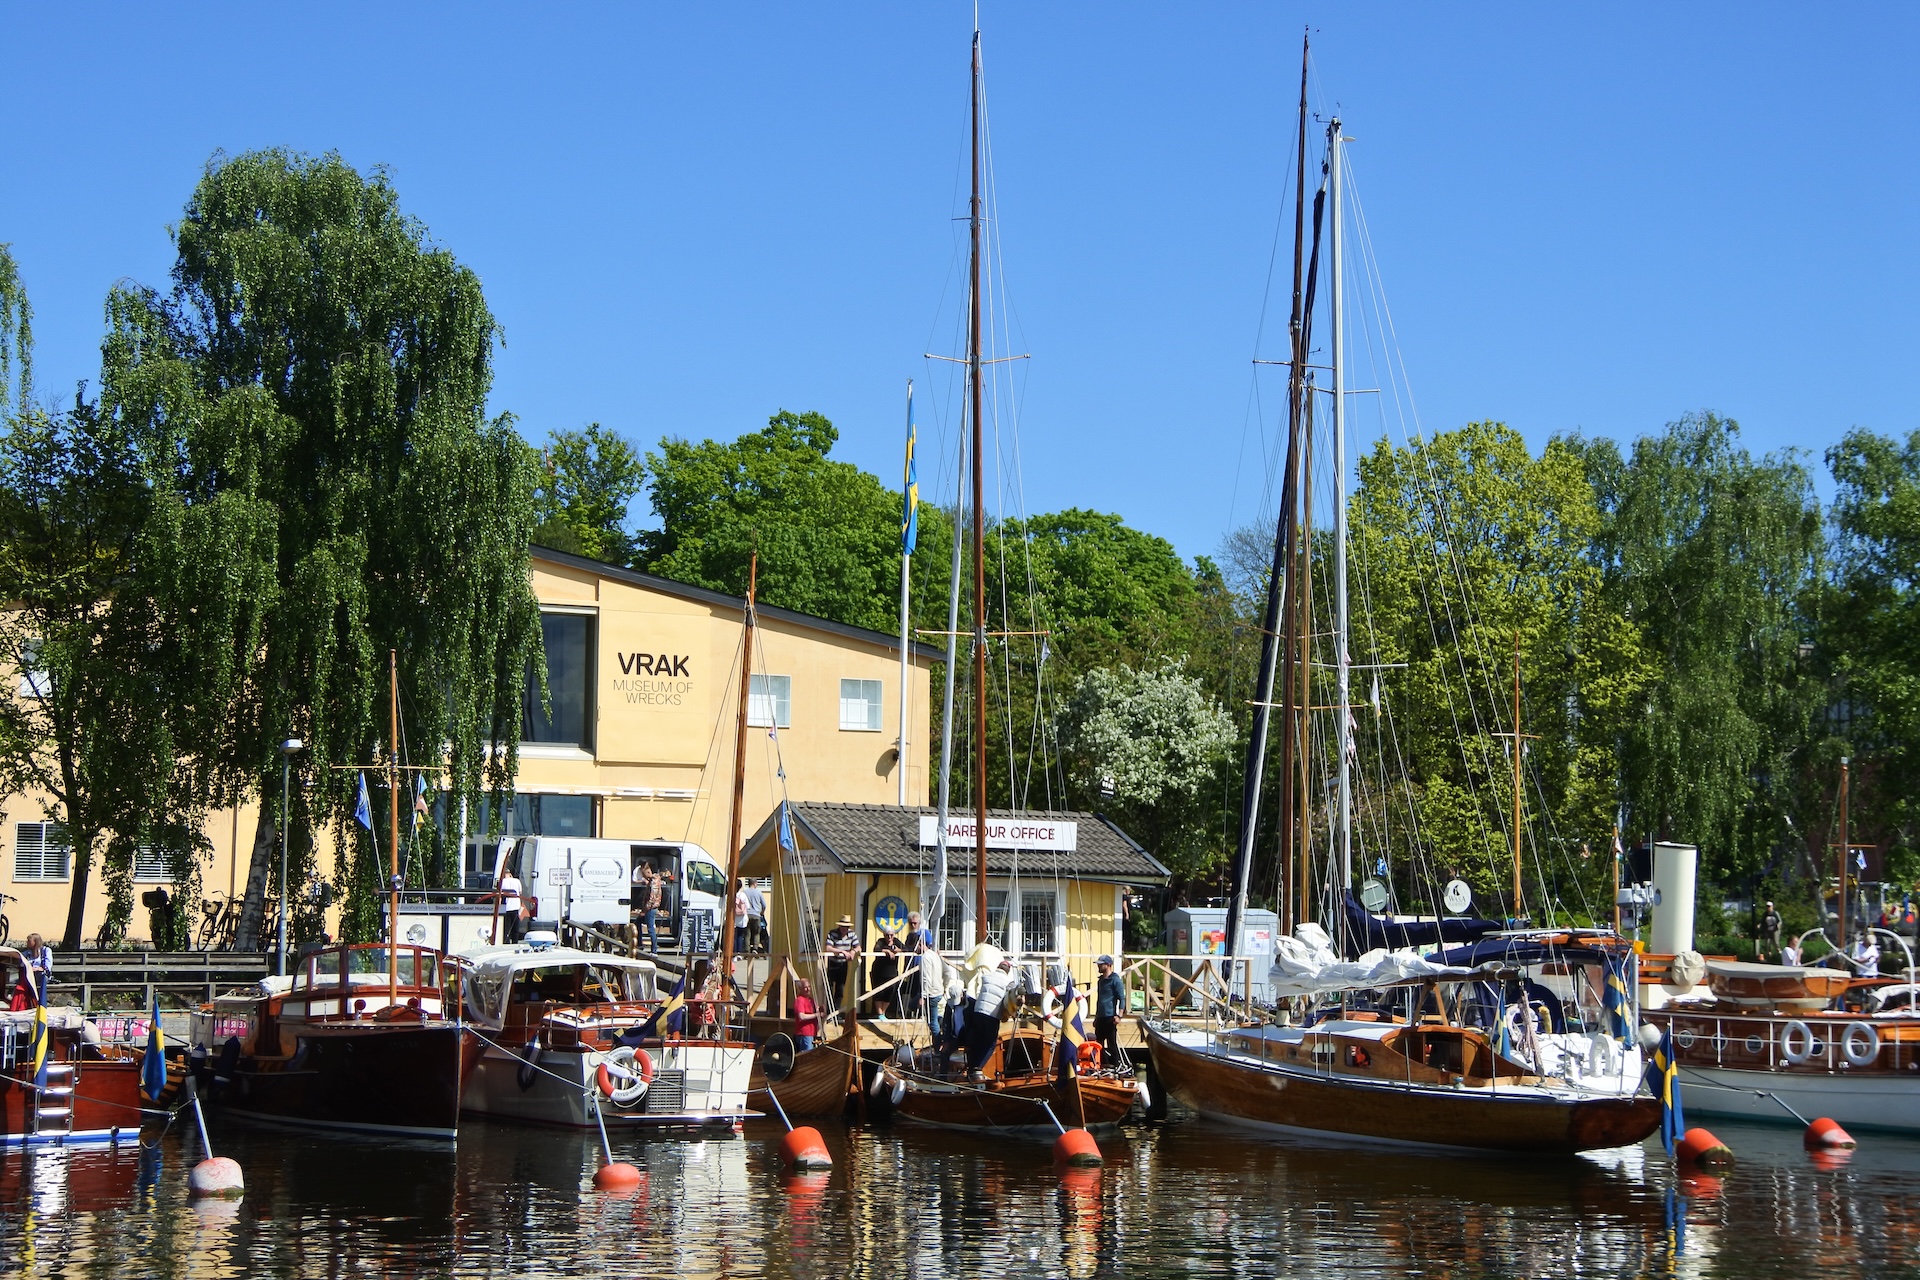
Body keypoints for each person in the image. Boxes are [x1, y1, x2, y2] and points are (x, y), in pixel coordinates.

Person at [965, 956, 1016, 1080]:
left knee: (977, 1041)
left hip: (978, 1011)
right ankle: (977, 1069)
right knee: (990, 1043)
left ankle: (971, 1069)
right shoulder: (1008, 982)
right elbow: (1011, 998)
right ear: (1008, 971)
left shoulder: (986, 976)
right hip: (992, 1015)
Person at [1093, 954, 1124, 1067]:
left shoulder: (1115, 980)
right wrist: (1096, 1017)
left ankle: (1116, 1066)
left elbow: (1122, 998)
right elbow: (1099, 1000)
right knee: (1098, 1044)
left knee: (1112, 1044)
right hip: (1100, 1017)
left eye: (1101, 964)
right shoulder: (1100, 981)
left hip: (1110, 1017)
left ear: (1108, 965)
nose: (1099, 967)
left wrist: (1119, 1016)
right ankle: (1103, 1065)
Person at [824, 915, 858, 1002]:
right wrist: (842, 951)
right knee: (829, 988)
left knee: (840, 989)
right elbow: (828, 948)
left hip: (843, 964)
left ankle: (836, 1012)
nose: (844, 929)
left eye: (846, 927)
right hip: (832, 963)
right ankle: (829, 1011)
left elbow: (858, 947)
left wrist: (853, 951)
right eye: (843, 926)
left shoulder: (852, 934)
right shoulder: (832, 933)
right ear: (839, 926)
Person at [869, 931, 902, 1017]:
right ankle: (880, 1014)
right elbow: (876, 949)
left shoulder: (897, 942)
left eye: (891, 935)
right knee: (879, 992)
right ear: (884, 935)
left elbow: (906, 948)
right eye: (887, 935)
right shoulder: (881, 941)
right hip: (879, 971)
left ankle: (882, 1013)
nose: (889, 937)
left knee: (890, 992)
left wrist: (898, 950)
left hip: (892, 972)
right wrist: (886, 951)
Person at [634, 863, 665, 953]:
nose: (644, 877)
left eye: (644, 874)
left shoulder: (654, 882)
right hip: (649, 908)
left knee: (651, 928)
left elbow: (651, 899)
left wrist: (644, 910)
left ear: (648, 872)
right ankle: (640, 944)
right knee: (638, 922)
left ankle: (654, 950)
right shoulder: (652, 880)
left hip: (650, 908)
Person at [496, 869, 523, 943]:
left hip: (506, 908)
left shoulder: (502, 882)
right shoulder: (517, 881)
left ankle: (506, 941)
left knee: (506, 928)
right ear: (510, 874)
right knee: (515, 927)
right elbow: (520, 892)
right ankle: (515, 942)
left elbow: (500, 896)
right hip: (516, 906)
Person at [23, 933, 50, 1005]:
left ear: (35, 942)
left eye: (29, 941)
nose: (27, 942)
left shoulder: (45, 951)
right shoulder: (27, 952)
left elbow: (47, 966)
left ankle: (39, 1003)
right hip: (30, 975)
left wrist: (38, 968)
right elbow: (20, 959)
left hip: (41, 976)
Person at [793, 978, 819, 1051]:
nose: (808, 989)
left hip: (812, 1033)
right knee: (807, 1054)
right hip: (804, 1033)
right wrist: (816, 1015)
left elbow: (817, 1011)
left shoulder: (811, 1000)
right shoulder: (799, 1000)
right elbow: (801, 1016)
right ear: (800, 989)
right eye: (805, 987)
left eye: (809, 987)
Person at [746, 880, 768, 955]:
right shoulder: (759, 892)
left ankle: (747, 950)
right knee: (756, 933)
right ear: (754, 883)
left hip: (747, 914)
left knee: (747, 933)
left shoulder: (745, 892)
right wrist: (762, 912)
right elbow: (764, 905)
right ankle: (755, 948)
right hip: (756, 915)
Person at [733, 881, 751, 954]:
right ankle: (739, 952)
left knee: (734, 936)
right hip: (742, 917)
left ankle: (733, 951)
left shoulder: (732, 895)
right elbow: (748, 906)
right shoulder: (743, 895)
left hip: (733, 917)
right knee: (740, 935)